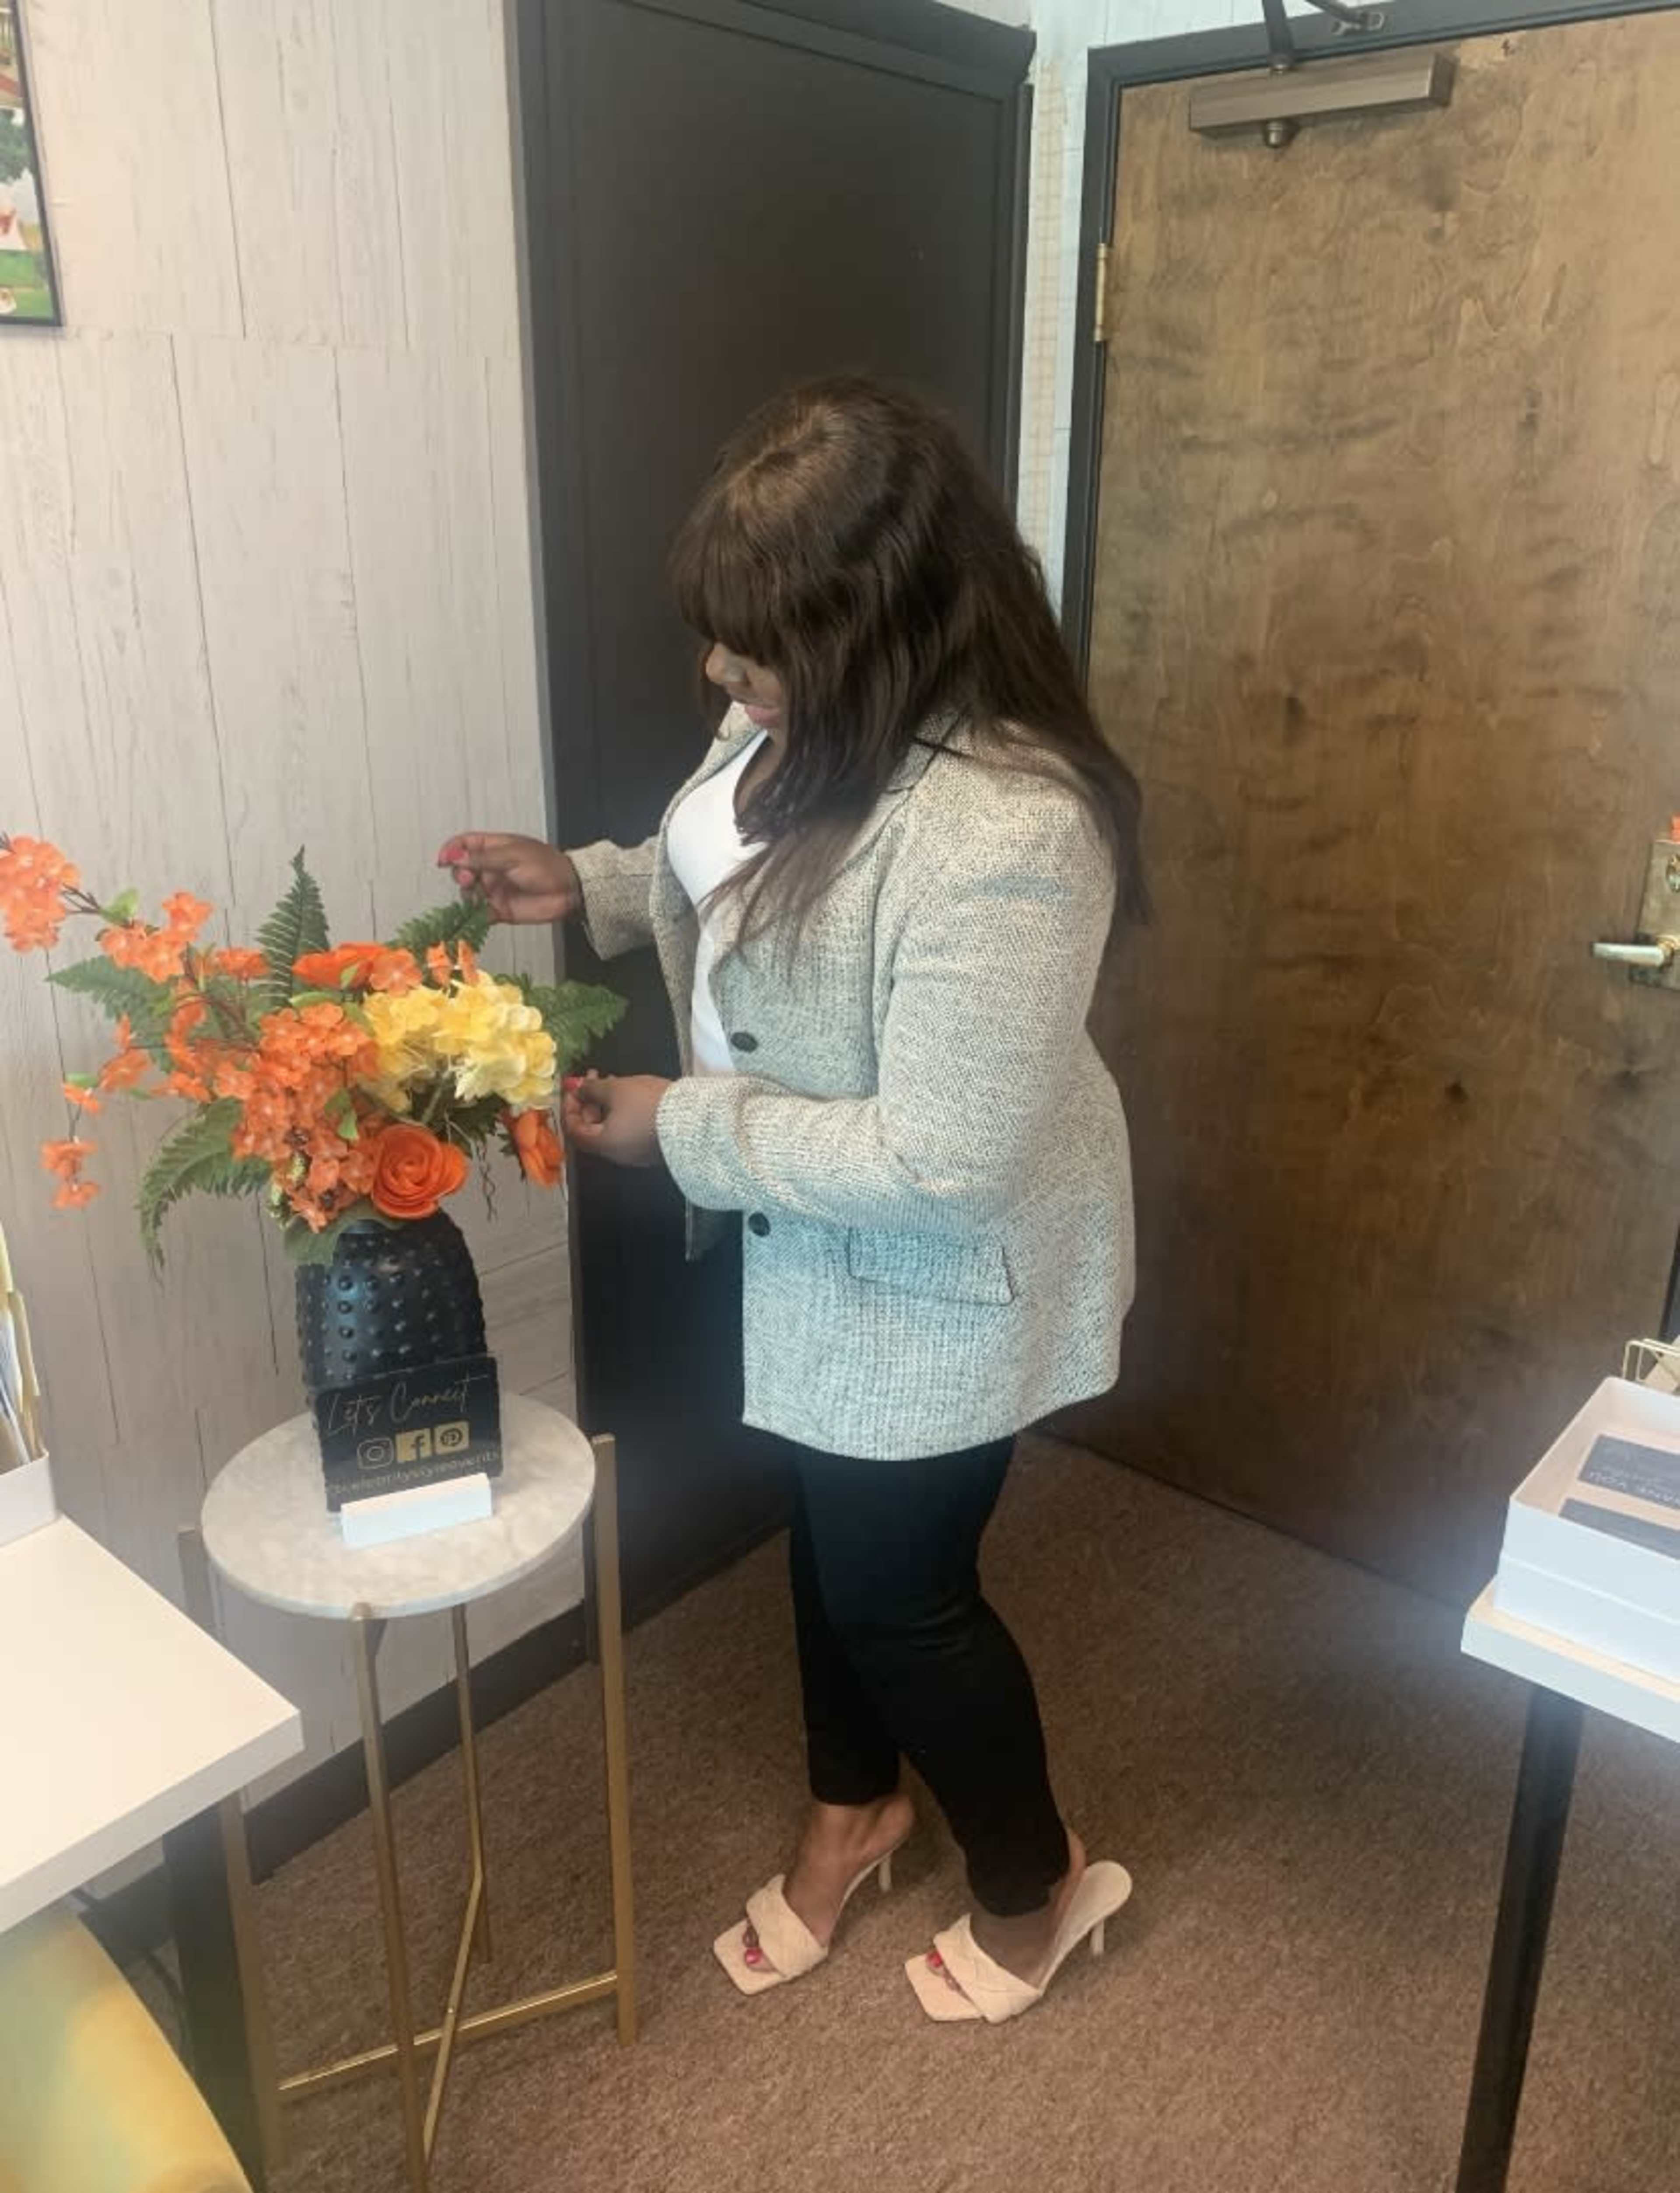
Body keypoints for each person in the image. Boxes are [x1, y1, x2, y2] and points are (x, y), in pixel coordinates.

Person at [438, 378, 1145, 2025]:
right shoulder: (795, 714)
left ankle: (1041, 1883)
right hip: (814, 1244)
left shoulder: (1012, 829)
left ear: (877, 641)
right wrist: (595, 885)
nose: (718, 678)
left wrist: (683, 1127)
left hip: (945, 1262)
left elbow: (941, 1158)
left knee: (904, 1595)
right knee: (830, 1552)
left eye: (749, 655)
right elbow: (734, 863)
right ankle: (856, 1810)